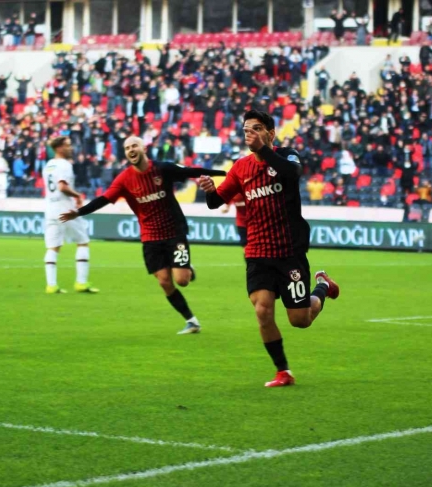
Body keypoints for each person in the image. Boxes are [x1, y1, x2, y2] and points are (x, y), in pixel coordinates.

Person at [199, 110, 340, 388]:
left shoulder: (287, 155)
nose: (250, 133)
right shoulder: (240, 167)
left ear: (271, 133)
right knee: (263, 311)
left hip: (289, 251)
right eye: (246, 129)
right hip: (258, 251)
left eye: (257, 128)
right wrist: (208, 190)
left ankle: (322, 285)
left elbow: (293, 173)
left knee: (300, 320)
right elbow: (216, 202)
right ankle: (283, 371)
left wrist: (263, 150)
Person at [60, 136, 226, 335]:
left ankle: (186, 267)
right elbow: (104, 199)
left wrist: (225, 173)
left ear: (143, 148)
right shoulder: (124, 179)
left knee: (182, 280)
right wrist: (78, 212)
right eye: (127, 147)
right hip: (150, 237)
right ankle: (192, 321)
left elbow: (191, 171)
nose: (131, 150)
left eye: (134, 146)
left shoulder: (162, 169)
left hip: (174, 232)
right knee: (165, 282)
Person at [43, 137, 99, 295]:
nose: (71, 148)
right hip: (66, 209)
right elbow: (62, 187)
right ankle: (81, 282)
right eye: (67, 145)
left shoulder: (48, 165)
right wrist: (77, 195)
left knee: (53, 247)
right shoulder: (64, 165)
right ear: (59, 148)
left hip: (50, 208)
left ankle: (51, 285)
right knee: (83, 241)